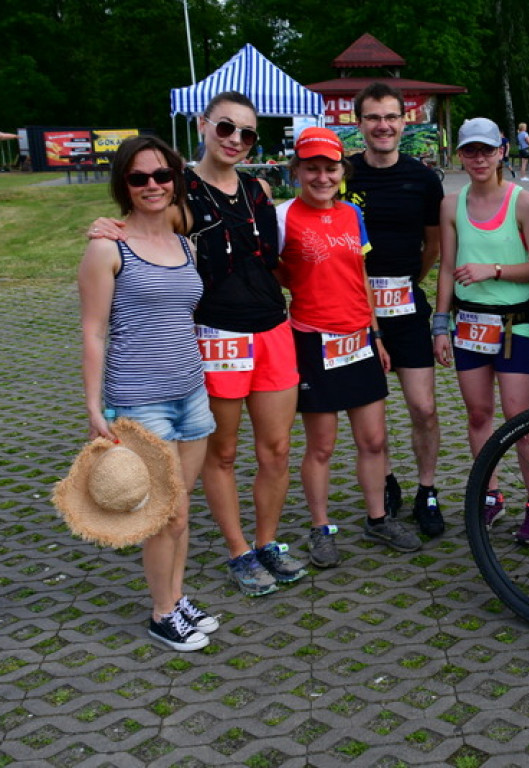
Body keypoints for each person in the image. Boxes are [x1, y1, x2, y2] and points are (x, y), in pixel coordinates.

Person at [89, 92, 305, 598]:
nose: (235, 139)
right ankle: (238, 550)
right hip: (216, 335)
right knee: (222, 453)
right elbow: (139, 228)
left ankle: (267, 542)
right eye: (226, 127)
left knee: (276, 449)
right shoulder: (176, 187)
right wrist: (102, 229)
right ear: (204, 125)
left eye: (247, 133)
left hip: (273, 329)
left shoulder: (257, 189)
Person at [77, 136, 218, 650]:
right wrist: (94, 406)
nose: (152, 185)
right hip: (140, 400)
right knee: (165, 513)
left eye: (162, 175)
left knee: (182, 507)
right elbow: (94, 330)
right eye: (139, 178)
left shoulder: (184, 243)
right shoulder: (106, 247)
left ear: (175, 179)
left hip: (191, 393)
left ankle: (176, 598)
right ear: (124, 185)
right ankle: (162, 614)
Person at [278, 127, 422, 557]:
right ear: (297, 170)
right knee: (322, 446)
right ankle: (321, 528)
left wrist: (376, 333)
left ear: (343, 171)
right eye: (312, 168)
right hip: (314, 340)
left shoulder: (351, 214)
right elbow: (272, 270)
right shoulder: (282, 217)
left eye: (331, 168)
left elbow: (360, 276)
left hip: (359, 339)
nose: (322, 177)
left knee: (373, 440)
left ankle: (378, 519)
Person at [433, 118, 529, 541]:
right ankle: (491, 495)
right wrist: (440, 324)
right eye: (470, 150)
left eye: (487, 150)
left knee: (519, 417)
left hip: (514, 325)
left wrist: (494, 270)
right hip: (468, 325)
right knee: (479, 414)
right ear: (460, 155)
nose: (479, 158)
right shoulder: (451, 204)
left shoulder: (523, 202)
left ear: (502, 151)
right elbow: (446, 268)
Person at [342, 82, 446, 543]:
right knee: (372, 417)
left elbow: (433, 245)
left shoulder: (423, 179)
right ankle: (384, 481)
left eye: (390, 117)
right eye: (372, 117)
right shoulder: (344, 175)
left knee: (424, 407)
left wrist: (406, 283)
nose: (382, 126)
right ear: (359, 123)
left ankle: (427, 489)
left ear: (405, 122)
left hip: (406, 309)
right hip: (354, 313)